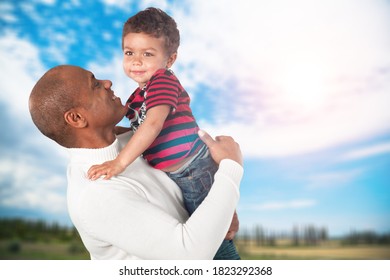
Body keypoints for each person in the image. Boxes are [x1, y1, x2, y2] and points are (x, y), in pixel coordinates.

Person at [28, 65, 243, 260]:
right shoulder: (96, 194)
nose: (107, 83)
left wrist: (221, 211)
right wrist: (231, 166)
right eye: (94, 84)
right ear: (76, 118)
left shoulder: (132, 141)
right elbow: (189, 255)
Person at [87, 7, 240, 260]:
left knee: (214, 236)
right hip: (179, 173)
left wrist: (119, 163)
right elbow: (139, 129)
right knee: (204, 225)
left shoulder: (162, 81)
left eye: (147, 54)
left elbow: (153, 125)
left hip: (194, 169)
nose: (136, 61)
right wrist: (109, 130)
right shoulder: (139, 96)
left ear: (169, 60)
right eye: (129, 53)